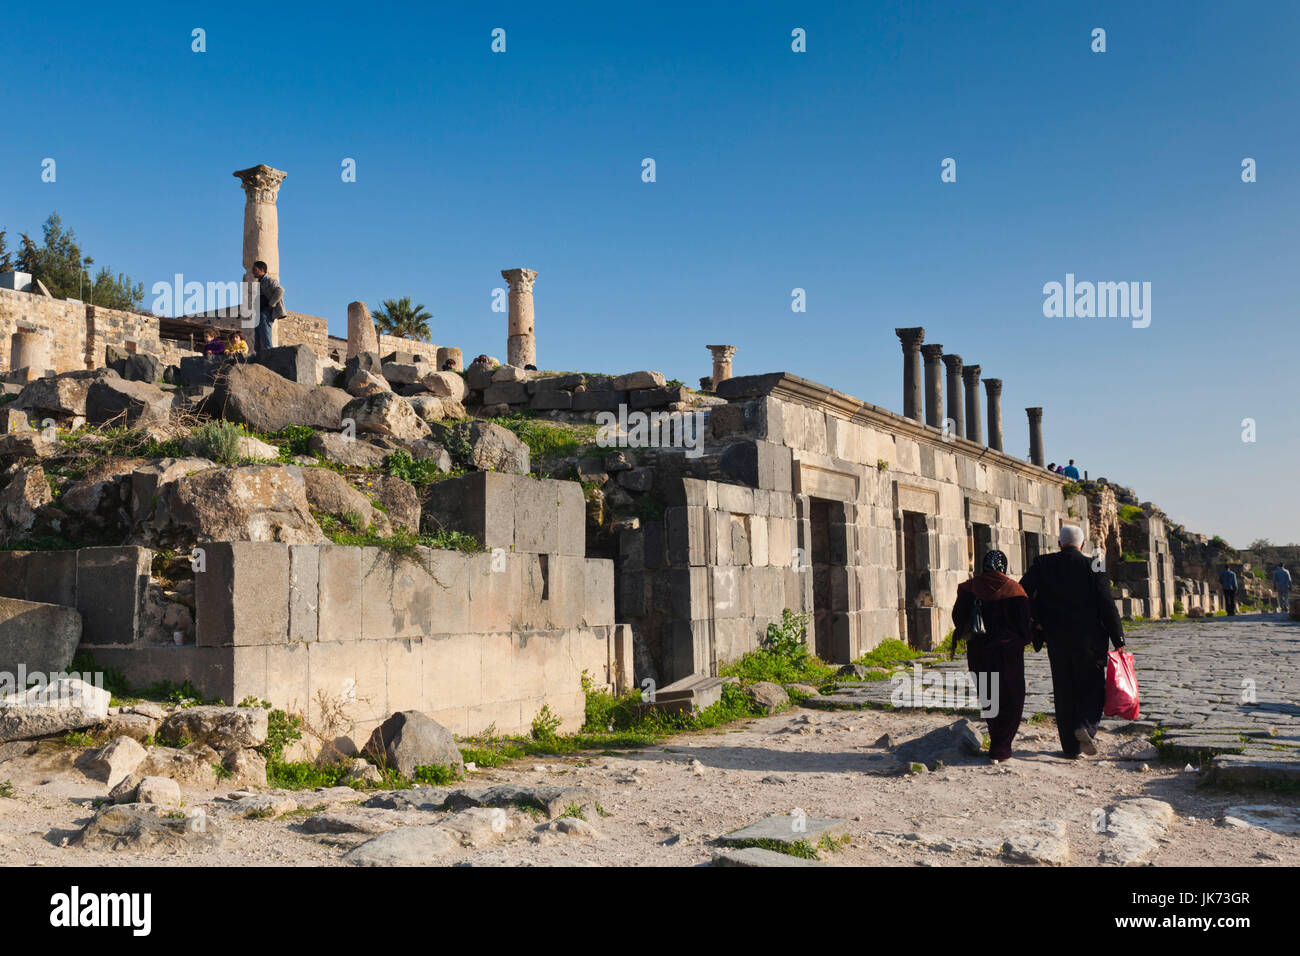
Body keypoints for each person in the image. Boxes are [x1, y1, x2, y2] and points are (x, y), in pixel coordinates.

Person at [1020, 525, 1125, 758]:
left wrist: (1036, 618)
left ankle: (1070, 747)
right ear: (1083, 544)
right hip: (1090, 641)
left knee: (1064, 689)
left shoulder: (1043, 563)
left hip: (1057, 638)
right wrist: (1118, 638)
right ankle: (1085, 726)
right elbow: (1107, 604)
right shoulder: (1095, 564)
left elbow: (1022, 592)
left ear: (1059, 544)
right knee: (1093, 687)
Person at [952, 549, 1033, 762]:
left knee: (989, 698)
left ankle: (996, 742)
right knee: (1012, 698)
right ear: (1003, 567)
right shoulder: (1015, 590)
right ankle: (1001, 746)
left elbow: (958, 619)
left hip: (979, 653)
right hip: (1007, 654)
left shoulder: (968, 588)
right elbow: (1025, 627)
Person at [250, 260, 285, 354]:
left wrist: (271, 304)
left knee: (265, 336)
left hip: (265, 312)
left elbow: (280, 290)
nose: (252, 271)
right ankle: (259, 357)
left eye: (255, 269)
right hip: (259, 312)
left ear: (261, 270)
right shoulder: (258, 283)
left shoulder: (269, 280)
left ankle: (269, 356)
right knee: (258, 339)